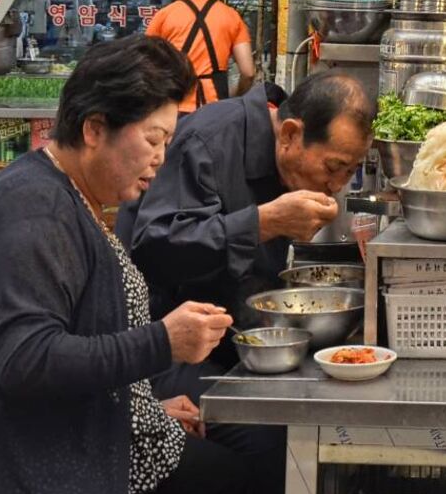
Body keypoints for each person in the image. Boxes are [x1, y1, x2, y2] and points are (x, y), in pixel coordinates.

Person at [0, 35, 233, 494]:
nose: (161, 158)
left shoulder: (70, 197)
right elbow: (28, 360)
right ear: (95, 128)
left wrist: (137, 406)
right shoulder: (36, 209)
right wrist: (163, 342)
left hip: (53, 455)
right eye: (153, 139)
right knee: (243, 487)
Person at [119, 72, 375, 338]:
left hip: (238, 332)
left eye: (349, 171)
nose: (337, 185)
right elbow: (154, 249)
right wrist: (263, 223)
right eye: (332, 167)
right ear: (289, 134)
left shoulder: (284, 163)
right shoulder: (207, 141)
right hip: (160, 337)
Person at [147, 0, 256, 112]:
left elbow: (146, 66)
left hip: (174, 109)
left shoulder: (165, 15)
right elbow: (248, 72)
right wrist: (234, 97)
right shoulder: (231, 16)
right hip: (215, 108)